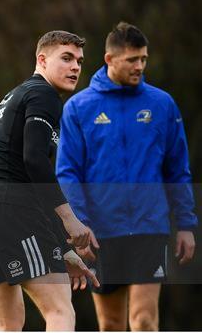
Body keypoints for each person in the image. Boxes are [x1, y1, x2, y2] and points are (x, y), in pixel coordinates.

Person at [57, 21, 197, 331]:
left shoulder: (161, 104)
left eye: (144, 59)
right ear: (109, 59)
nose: (140, 66)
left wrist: (186, 224)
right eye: (132, 59)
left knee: (145, 320)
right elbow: (68, 173)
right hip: (103, 234)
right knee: (111, 325)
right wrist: (80, 226)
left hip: (149, 229)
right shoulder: (79, 108)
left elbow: (177, 169)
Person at [0, 30, 99, 331]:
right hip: (12, 210)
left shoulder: (17, 94)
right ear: (41, 59)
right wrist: (69, 220)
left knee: (7, 324)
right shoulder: (43, 94)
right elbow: (34, 162)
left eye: (79, 61)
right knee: (60, 312)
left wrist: (62, 251)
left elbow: (28, 174)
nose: (75, 67)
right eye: (66, 58)